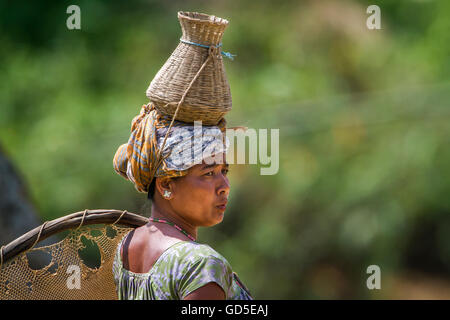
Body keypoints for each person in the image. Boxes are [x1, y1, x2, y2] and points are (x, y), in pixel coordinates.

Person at [112, 103, 253, 300]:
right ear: (167, 185)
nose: (225, 186)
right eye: (209, 173)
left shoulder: (126, 247)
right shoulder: (201, 265)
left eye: (224, 171)